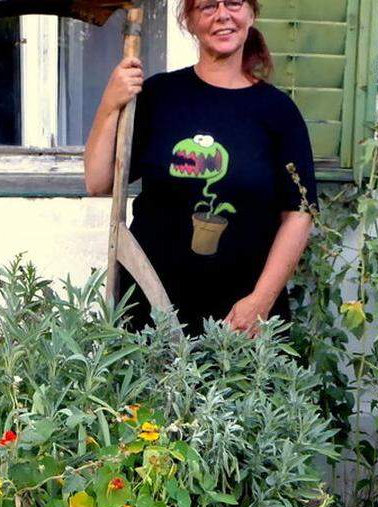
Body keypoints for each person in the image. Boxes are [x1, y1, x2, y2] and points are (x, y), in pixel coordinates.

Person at [83, 0, 317, 337]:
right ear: (189, 21)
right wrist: (110, 104)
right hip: (153, 308)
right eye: (207, 6)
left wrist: (260, 301)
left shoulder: (278, 112)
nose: (223, 15)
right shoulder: (160, 96)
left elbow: (299, 212)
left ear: (251, 13)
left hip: (240, 320)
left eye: (234, 3)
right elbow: (98, 180)